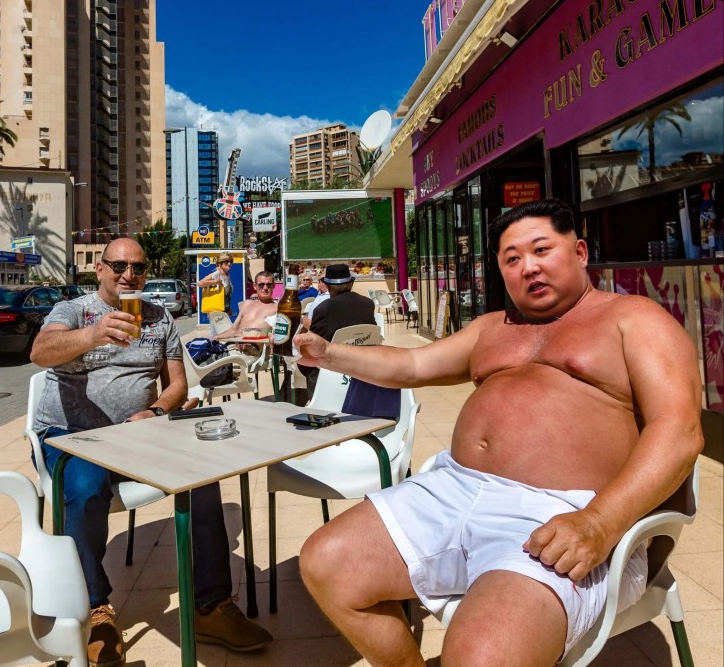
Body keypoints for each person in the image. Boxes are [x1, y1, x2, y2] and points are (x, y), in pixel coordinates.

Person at [293, 199, 704, 667]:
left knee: (481, 657)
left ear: (580, 252)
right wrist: (328, 354)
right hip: (452, 489)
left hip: (561, 512)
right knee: (327, 563)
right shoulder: (493, 327)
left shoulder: (634, 319)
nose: (528, 267)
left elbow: (680, 431)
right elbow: (410, 363)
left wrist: (600, 523)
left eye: (541, 250)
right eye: (512, 259)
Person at [30, 238, 272, 667]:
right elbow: (39, 352)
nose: (129, 275)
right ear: (100, 270)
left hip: (136, 436)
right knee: (85, 484)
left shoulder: (159, 318)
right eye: (119, 266)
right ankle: (94, 610)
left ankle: (210, 606)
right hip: (74, 436)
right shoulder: (74, 311)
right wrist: (93, 334)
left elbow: (177, 383)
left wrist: (156, 410)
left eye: (138, 268)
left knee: (203, 472)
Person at [297, 263, 376, 397]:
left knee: (308, 360)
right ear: (351, 284)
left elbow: (316, 343)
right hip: (363, 363)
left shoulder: (323, 309)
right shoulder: (368, 303)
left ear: (327, 286)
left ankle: (315, 400)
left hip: (334, 367)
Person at [213, 270, 279, 357]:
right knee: (201, 355)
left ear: (274, 286)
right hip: (232, 346)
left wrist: (249, 339)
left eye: (269, 285)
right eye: (261, 285)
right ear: (255, 286)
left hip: (251, 350)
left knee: (216, 362)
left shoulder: (278, 308)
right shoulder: (247, 304)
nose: (265, 288)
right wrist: (214, 338)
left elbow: (281, 334)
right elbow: (233, 330)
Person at [198, 252, 235, 317]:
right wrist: (215, 282)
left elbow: (226, 296)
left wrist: (228, 309)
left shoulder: (227, 275)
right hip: (215, 313)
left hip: (224, 312)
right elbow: (199, 283)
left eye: (231, 261)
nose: (229, 263)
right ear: (219, 263)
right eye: (226, 261)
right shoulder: (215, 274)